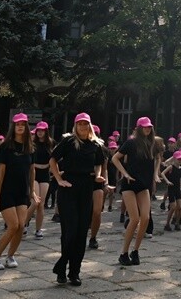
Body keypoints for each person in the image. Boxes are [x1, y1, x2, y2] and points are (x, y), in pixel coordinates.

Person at [50, 113, 105, 286]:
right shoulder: (68, 141)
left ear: (90, 126)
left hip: (86, 188)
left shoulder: (95, 145)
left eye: (85, 124)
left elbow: (99, 163)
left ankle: (74, 272)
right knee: (70, 230)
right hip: (68, 187)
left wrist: (97, 176)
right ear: (75, 125)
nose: (82, 127)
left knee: (82, 232)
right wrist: (59, 179)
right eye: (79, 124)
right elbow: (53, 159)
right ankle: (62, 266)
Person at [111, 116, 160, 266]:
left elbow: (158, 159)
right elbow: (115, 158)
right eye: (144, 126)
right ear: (139, 128)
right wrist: (124, 173)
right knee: (135, 218)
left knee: (145, 218)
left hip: (144, 185)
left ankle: (135, 251)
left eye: (149, 126)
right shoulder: (131, 142)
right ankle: (124, 253)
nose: (147, 129)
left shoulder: (153, 144)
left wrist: (156, 174)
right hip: (129, 184)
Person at [0, 113, 34, 270]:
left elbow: (31, 170)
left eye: (23, 124)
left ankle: (10, 256)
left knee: (22, 226)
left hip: (22, 191)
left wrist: (32, 191)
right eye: (17, 124)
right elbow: (1, 172)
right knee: (13, 225)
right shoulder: (6, 146)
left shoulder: (29, 146)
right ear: (13, 127)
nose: (20, 126)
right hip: (7, 191)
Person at [31, 121, 54, 238]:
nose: (40, 132)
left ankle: (38, 229)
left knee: (41, 204)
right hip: (33, 174)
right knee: (35, 202)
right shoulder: (32, 143)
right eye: (38, 130)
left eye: (42, 130)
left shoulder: (50, 143)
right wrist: (38, 166)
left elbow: (53, 160)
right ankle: (24, 223)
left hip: (45, 175)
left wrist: (48, 167)